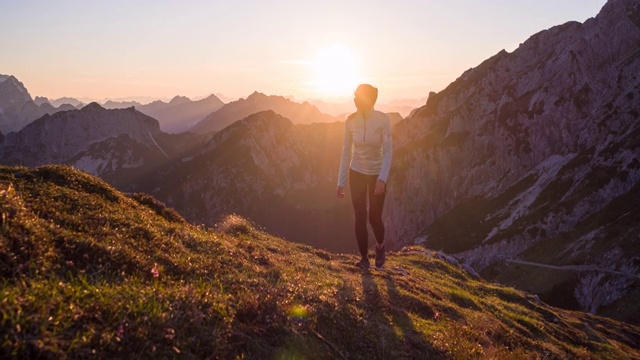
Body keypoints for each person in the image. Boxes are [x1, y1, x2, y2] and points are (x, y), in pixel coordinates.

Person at [336, 84, 392, 270]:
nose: (354, 100)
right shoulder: (350, 120)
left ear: (368, 100)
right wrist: (341, 181)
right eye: (354, 96)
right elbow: (346, 152)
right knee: (360, 217)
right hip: (357, 172)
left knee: (374, 217)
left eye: (358, 96)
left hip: (376, 174)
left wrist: (382, 178)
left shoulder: (383, 120)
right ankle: (364, 259)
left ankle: (380, 246)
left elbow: (388, 151)